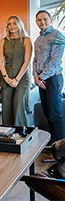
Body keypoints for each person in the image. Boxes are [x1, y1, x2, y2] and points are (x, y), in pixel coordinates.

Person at [33, 10, 65, 144]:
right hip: (41, 80)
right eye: (39, 20)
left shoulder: (57, 36)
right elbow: (35, 60)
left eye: (45, 19)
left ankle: (60, 152)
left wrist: (40, 78)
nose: (42, 22)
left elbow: (54, 60)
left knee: (54, 115)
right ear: (36, 22)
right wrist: (36, 77)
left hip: (53, 79)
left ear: (50, 19)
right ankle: (54, 146)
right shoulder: (38, 39)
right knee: (47, 114)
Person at [0, 15, 32, 126]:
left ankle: (20, 136)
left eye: (14, 23)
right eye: (9, 24)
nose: (12, 26)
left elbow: (27, 62)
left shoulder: (26, 40)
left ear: (19, 25)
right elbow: (0, 62)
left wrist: (17, 79)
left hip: (22, 79)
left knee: (19, 108)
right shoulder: (3, 41)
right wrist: (6, 77)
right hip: (6, 78)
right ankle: (7, 135)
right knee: (6, 109)